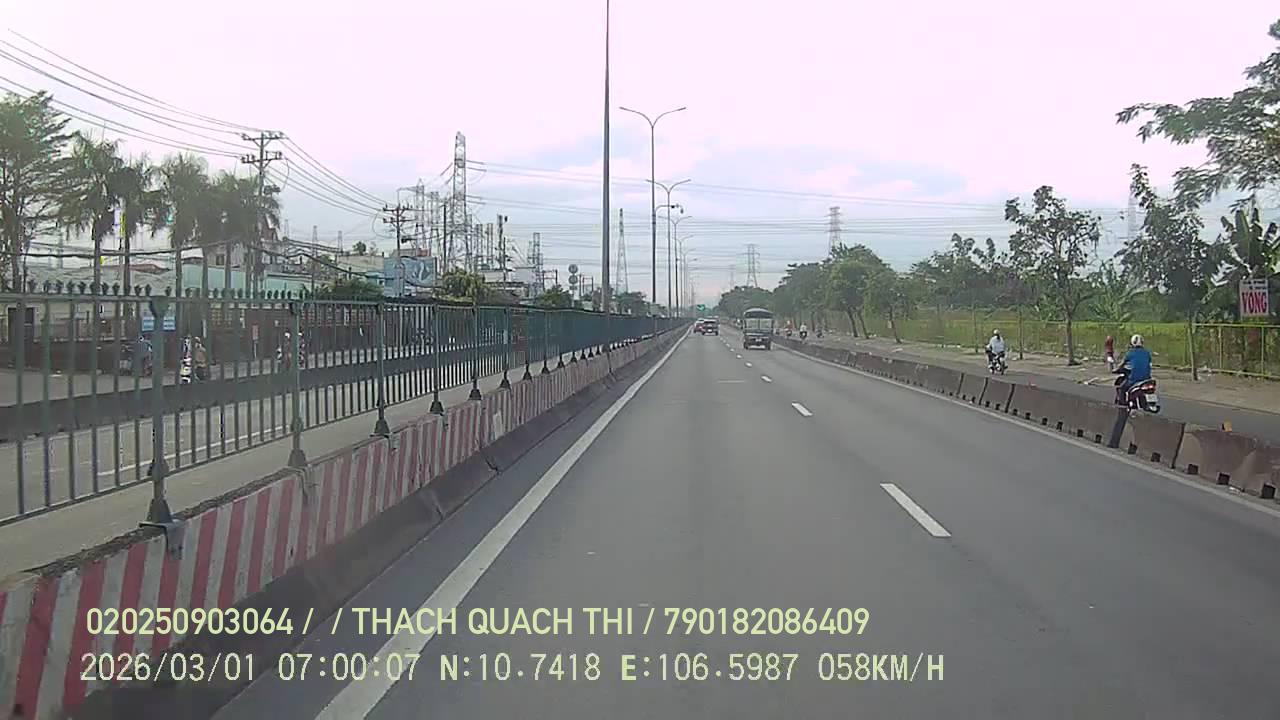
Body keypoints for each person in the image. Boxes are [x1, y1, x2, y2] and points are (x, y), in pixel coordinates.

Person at [1116, 334, 1153, 405]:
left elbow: (1121, 364)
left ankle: (1123, 405)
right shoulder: (1147, 353)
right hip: (1147, 379)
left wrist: (1116, 369)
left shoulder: (1130, 353)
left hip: (1134, 379)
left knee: (1121, 388)